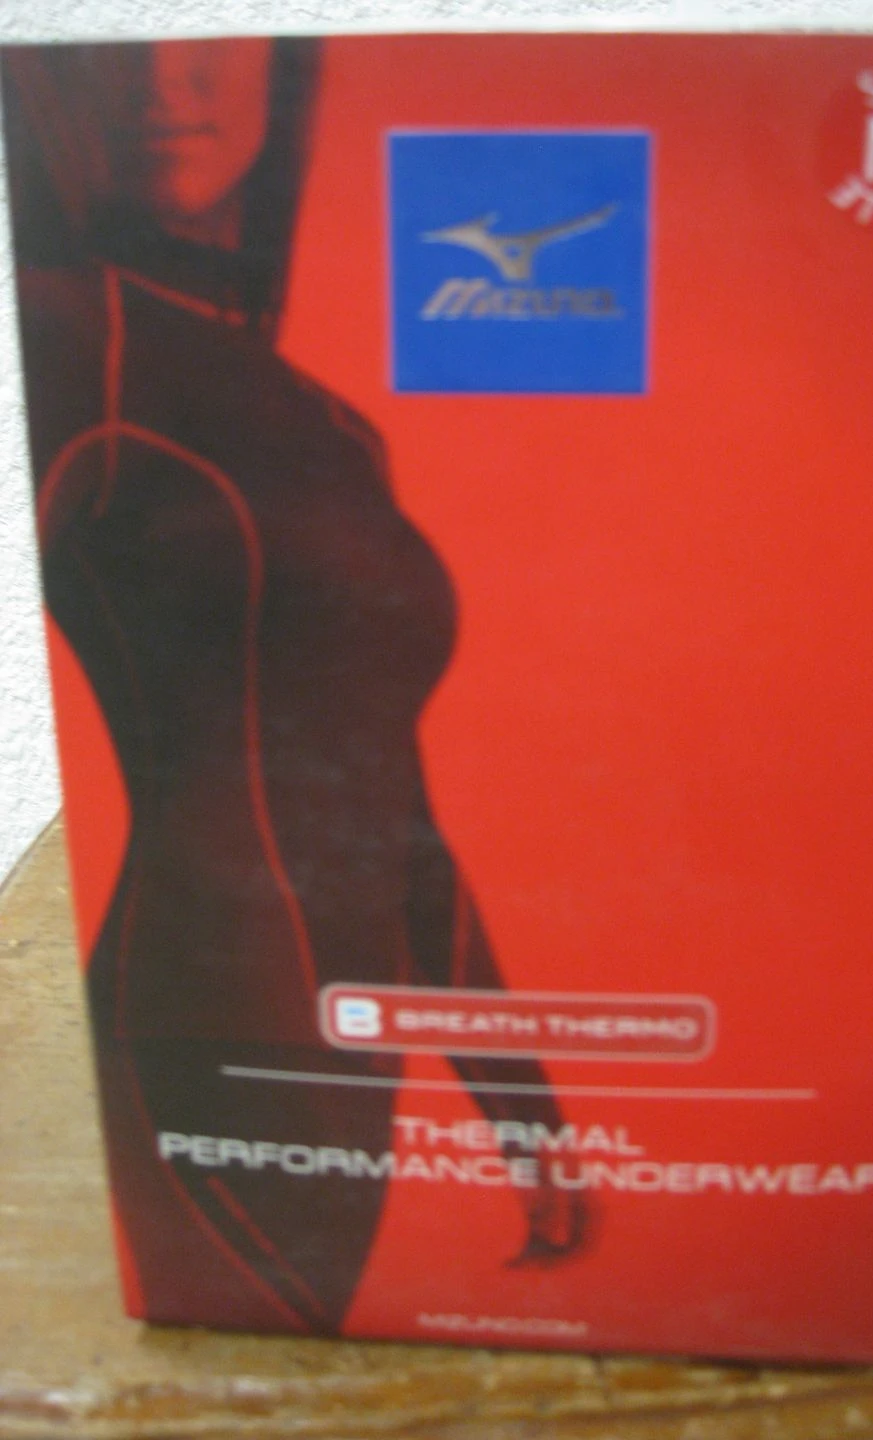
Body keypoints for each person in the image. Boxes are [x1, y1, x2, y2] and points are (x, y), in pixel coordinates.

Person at [4, 36, 589, 1334]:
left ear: (290, 75)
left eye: (214, 44)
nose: (165, 83)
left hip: (354, 1066)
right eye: (132, 48)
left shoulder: (335, 429)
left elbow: (397, 814)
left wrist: (524, 1110)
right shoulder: (76, 329)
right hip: (197, 1021)